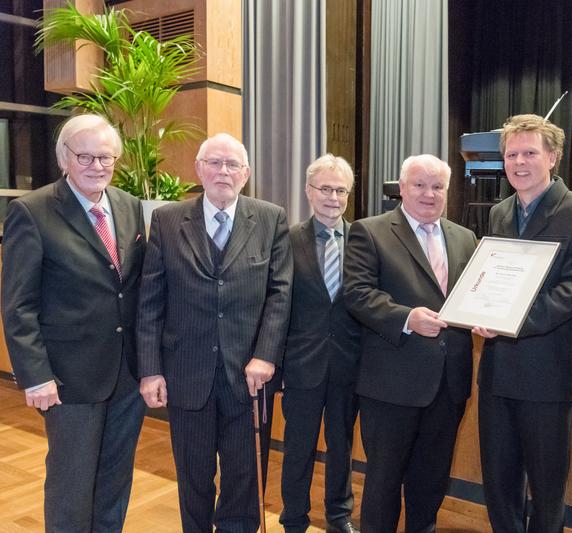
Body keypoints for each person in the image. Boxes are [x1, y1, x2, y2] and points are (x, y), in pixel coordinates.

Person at [136, 133, 293, 533]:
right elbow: (151, 299)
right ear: (198, 169)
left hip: (248, 375)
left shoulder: (271, 218)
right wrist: (151, 369)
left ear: (246, 174)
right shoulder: (168, 220)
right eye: (215, 162)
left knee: (243, 474)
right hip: (186, 372)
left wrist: (267, 355)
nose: (223, 171)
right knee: (193, 474)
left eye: (232, 165)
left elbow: (280, 292)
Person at [1, 113, 146, 532]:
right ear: (64, 158)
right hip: (67, 379)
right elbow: (18, 306)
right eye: (85, 156)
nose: (97, 166)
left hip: (126, 374)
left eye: (106, 157)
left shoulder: (128, 205)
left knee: (115, 481)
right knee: (71, 485)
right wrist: (36, 377)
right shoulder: (32, 212)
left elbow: (130, 289)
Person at [473, 114, 572, 533]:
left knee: (548, 489)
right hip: (496, 373)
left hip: (545, 373)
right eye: (511, 154)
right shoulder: (499, 213)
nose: (519, 162)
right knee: (499, 483)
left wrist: (508, 321)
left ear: (552, 156)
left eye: (530, 152)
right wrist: (478, 312)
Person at [343, 154, 477, 533]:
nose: (429, 194)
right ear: (401, 188)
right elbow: (357, 294)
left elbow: (471, 297)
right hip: (391, 384)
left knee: (431, 482)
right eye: (419, 185)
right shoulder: (370, 231)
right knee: (384, 482)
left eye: (438, 186)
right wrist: (406, 318)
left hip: (448, 383)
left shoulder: (464, 237)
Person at [280, 154, 361, 533]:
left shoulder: (364, 239)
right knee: (298, 448)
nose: (333, 197)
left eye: (340, 189)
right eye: (325, 188)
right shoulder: (288, 239)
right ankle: (294, 518)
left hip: (349, 363)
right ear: (309, 192)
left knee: (342, 448)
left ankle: (339, 515)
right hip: (302, 364)